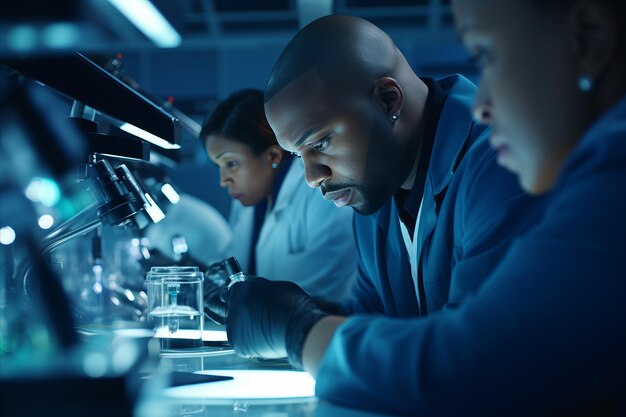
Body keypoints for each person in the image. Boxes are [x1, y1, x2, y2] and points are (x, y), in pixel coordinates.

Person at [224, 5, 626, 416]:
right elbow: (375, 322)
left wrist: (299, 330)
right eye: (299, 155)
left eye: (487, 56)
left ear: (387, 100)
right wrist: (294, 310)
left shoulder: (503, 162)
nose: (311, 177)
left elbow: (473, 368)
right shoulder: (375, 189)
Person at [200, 89, 358, 302]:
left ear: (273, 155)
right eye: (219, 166)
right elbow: (237, 272)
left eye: (231, 163)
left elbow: (324, 293)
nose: (223, 180)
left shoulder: (320, 195)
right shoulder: (247, 200)